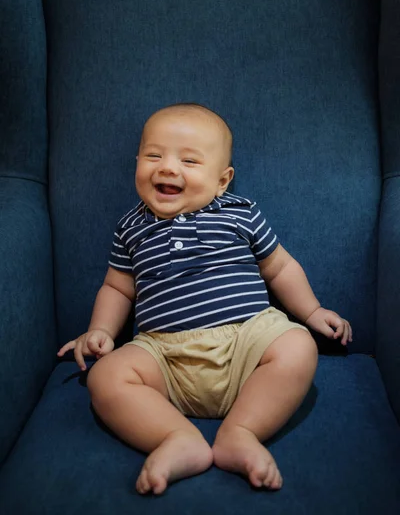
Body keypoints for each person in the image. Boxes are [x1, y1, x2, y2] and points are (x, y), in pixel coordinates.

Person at [58, 103, 352, 495]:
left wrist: (312, 311)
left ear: (222, 180)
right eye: (153, 155)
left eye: (190, 161)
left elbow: (280, 268)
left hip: (246, 341)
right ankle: (176, 438)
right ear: (137, 163)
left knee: (297, 346)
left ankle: (241, 432)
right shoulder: (131, 227)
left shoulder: (240, 214)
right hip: (164, 356)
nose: (167, 167)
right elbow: (117, 287)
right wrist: (100, 331)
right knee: (106, 377)